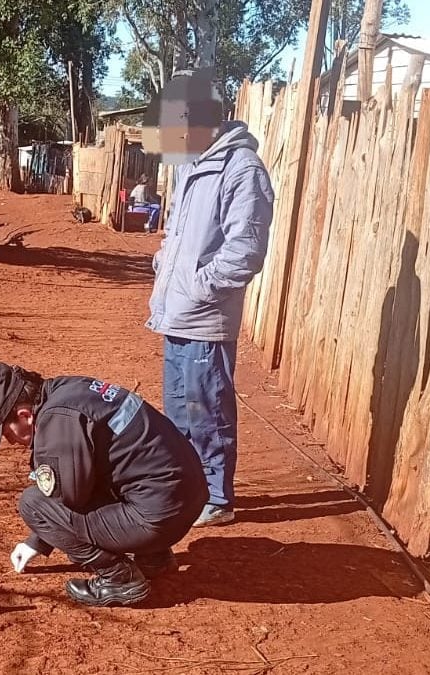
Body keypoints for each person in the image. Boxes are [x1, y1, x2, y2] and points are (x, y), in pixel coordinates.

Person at [144, 70, 274, 527]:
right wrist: (166, 268)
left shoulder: (243, 170)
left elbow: (245, 252)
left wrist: (199, 286)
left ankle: (217, 497)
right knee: (178, 410)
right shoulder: (191, 165)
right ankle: (189, 486)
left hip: (206, 316)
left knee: (208, 407)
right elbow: (175, 231)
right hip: (177, 312)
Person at [0, 362, 208, 607]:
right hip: (188, 498)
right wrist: (37, 541)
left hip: (158, 517)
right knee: (113, 470)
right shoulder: (71, 389)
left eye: (6, 433)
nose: (10, 442)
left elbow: (69, 500)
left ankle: (119, 578)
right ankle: (154, 556)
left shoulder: (57, 420)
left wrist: (42, 530)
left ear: (25, 415)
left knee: (33, 503)